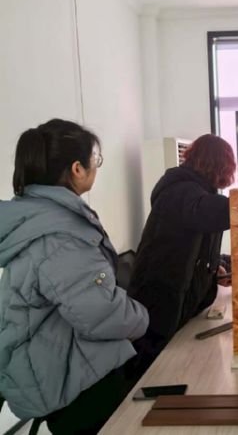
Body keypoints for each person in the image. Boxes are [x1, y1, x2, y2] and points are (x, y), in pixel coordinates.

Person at [0, 119, 149, 434]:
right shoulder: (60, 235)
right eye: (95, 159)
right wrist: (142, 316)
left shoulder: (37, 217)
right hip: (62, 382)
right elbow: (100, 314)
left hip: (46, 365)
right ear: (77, 169)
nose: (96, 166)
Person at [127, 134, 238, 378]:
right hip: (160, 300)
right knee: (156, 372)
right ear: (220, 165)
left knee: (181, 367)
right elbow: (213, 212)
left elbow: (199, 241)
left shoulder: (194, 191)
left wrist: (218, 265)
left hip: (176, 298)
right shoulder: (180, 190)